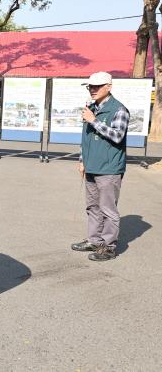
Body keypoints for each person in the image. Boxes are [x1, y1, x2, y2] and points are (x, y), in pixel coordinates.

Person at [72, 72, 129, 262]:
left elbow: (117, 136)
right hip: (92, 165)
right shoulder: (91, 108)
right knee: (92, 207)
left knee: (108, 209)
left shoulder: (119, 110)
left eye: (97, 86)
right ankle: (94, 240)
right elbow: (86, 138)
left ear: (109, 87)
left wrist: (94, 121)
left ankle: (109, 246)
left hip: (109, 168)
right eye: (90, 86)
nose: (92, 90)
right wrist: (82, 160)